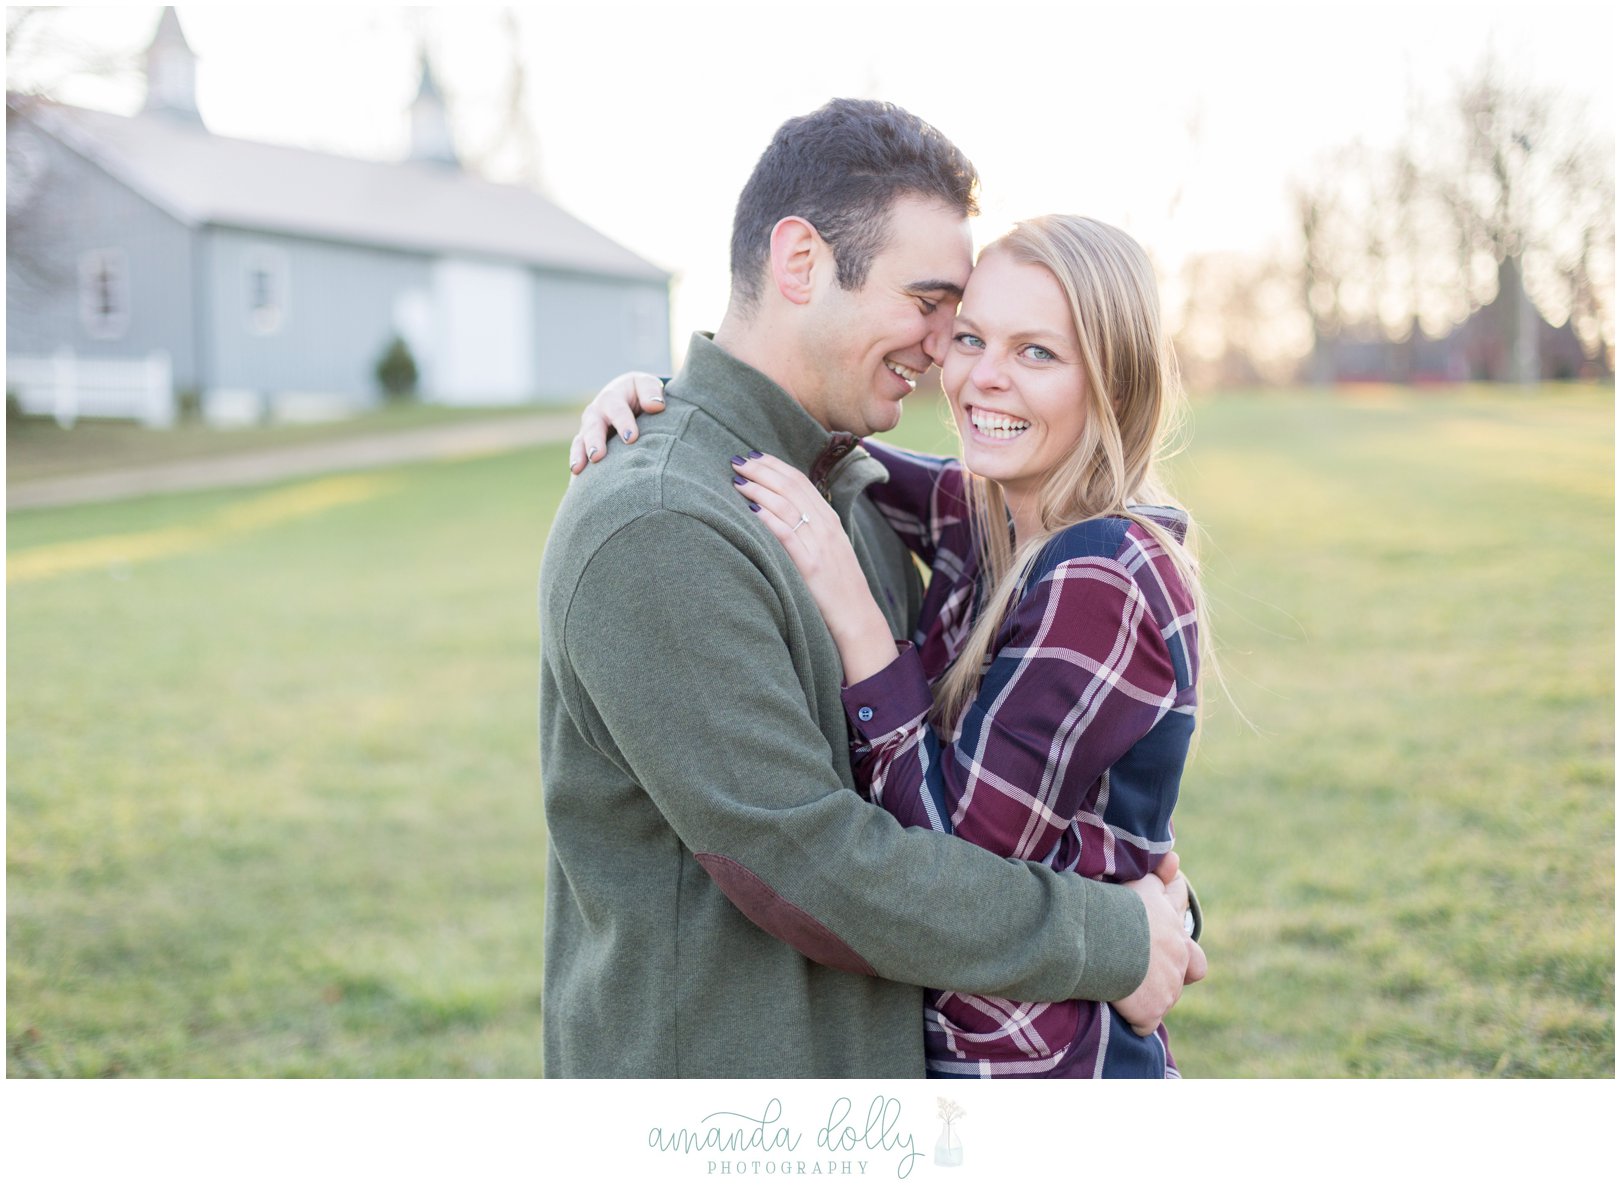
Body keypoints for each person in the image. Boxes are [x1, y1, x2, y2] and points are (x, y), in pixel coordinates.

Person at [540, 98, 1204, 1079]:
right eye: (933, 306)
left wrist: (1146, 887)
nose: (946, 352)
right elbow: (813, 863)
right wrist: (1113, 936)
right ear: (801, 262)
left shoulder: (838, 482)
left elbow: (1014, 781)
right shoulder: (661, 525)